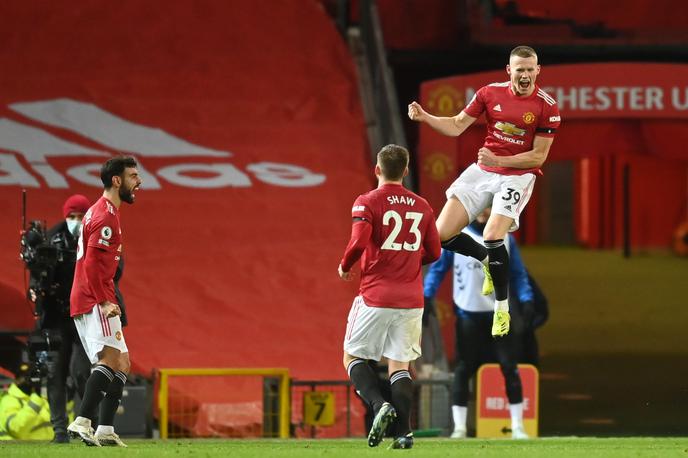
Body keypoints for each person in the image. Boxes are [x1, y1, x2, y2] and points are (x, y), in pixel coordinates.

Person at [408, 45, 560, 337]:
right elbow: (456, 126)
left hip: (518, 175)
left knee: (492, 235)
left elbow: (538, 157)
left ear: (538, 71)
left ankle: (501, 308)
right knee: (439, 235)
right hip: (484, 170)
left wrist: (499, 160)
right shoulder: (489, 93)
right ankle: (487, 259)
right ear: (509, 71)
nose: (525, 75)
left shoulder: (547, 106)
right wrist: (426, 117)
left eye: (530, 70)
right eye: (520, 70)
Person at [338, 144, 441, 449]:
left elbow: (358, 242)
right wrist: (408, 261)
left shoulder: (367, 202)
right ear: (406, 171)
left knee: (352, 356)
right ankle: (404, 434)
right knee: (400, 366)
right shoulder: (422, 205)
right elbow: (434, 252)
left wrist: (345, 266)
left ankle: (377, 403)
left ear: (377, 169)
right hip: (411, 299)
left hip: (375, 295)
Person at [423, 207, 533, 439]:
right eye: (481, 205)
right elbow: (438, 269)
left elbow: (518, 274)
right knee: (464, 368)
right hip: (467, 314)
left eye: (489, 206)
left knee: (509, 367)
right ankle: (460, 428)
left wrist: (527, 299)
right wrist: (426, 295)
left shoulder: (506, 239)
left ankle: (518, 426)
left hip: (499, 314)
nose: (484, 211)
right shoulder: (457, 237)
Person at [66, 156, 142, 447]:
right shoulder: (105, 216)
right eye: (133, 176)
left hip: (96, 295)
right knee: (109, 359)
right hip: (94, 298)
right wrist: (103, 300)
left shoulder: (104, 210)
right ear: (117, 180)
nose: (139, 182)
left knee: (122, 362)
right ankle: (83, 421)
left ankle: (105, 429)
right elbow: (92, 265)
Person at [26, 194, 93, 443]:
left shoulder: (97, 236)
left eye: (80, 216)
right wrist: (35, 287)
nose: (76, 220)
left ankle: (89, 427)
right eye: (71, 216)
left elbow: (115, 269)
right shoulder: (51, 240)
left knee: (81, 373)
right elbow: (36, 275)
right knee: (55, 374)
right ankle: (60, 432)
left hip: (84, 316)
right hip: (55, 317)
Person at [0, 363, 54, 440]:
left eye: (31, 376)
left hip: (50, 448)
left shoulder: (42, 398)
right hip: (21, 449)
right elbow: (17, 428)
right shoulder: (9, 400)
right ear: (16, 380)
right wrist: (37, 398)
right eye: (24, 377)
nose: (28, 380)